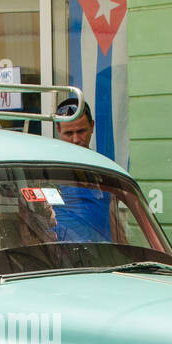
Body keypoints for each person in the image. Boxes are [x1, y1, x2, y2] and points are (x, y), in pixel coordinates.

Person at [50, 98, 126, 245]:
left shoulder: (104, 169)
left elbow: (113, 219)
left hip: (102, 255)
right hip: (63, 257)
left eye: (81, 131)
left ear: (92, 126)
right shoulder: (47, 170)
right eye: (69, 133)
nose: (76, 139)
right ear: (58, 130)